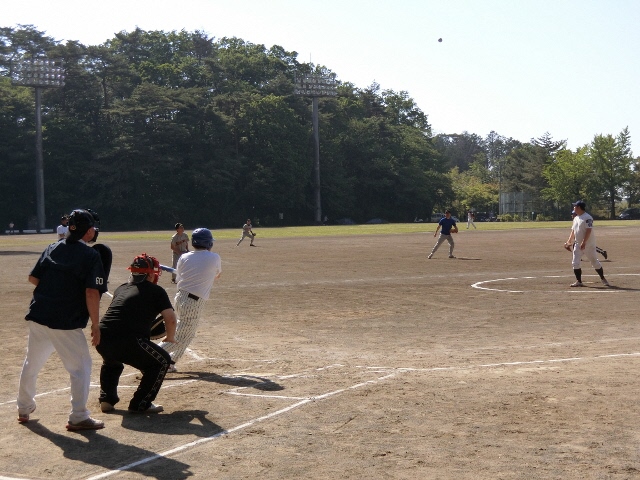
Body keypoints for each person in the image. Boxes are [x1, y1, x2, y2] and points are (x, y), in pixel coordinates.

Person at [17, 208, 108, 431]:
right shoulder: (90, 255)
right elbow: (91, 293)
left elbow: (33, 278)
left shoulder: (52, 247)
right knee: (81, 368)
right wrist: (96, 325)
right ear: (87, 232)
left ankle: (24, 407)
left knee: (32, 363)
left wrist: (55, 290)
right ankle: (78, 416)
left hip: (39, 315)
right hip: (66, 321)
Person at [96, 253, 177, 414]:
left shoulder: (121, 288)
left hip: (102, 336)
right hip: (129, 339)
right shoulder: (156, 291)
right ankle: (141, 403)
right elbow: (171, 318)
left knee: (112, 361)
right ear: (150, 274)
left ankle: (107, 399)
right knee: (161, 362)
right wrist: (170, 336)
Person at [158, 228, 222, 372]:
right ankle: (151, 355)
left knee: (188, 334)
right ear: (209, 243)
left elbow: (180, 277)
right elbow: (217, 275)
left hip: (181, 298)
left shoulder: (184, 257)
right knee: (180, 337)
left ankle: (170, 362)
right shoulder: (214, 257)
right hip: (193, 302)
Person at [565, 200, 610, 287]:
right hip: (578, 244)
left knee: (594, 262)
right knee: (575, 263)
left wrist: (584, 242)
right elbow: (573, 231)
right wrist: (569, 241)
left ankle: (603, 278)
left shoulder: (587, 217)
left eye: (575, 206)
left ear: (579, 207)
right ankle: (579, 281)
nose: (574, 207)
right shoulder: (576, 218)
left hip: (588, 245)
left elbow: (588, 231)